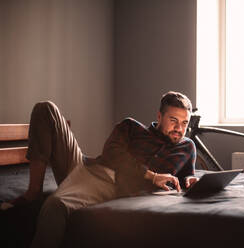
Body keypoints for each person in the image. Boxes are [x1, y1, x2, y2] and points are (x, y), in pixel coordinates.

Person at [1, 91, 198, 248]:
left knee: (56, 205)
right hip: (92, 168)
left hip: (107, 184)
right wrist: (151, 176)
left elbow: (188, 172)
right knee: (46, 108)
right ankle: (33, 192)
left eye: (184, 123)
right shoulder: (131, 127)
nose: (179, 128)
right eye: (173, 120)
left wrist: (191, 179)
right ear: (159, 116)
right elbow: (112, 154)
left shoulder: (187, 147)